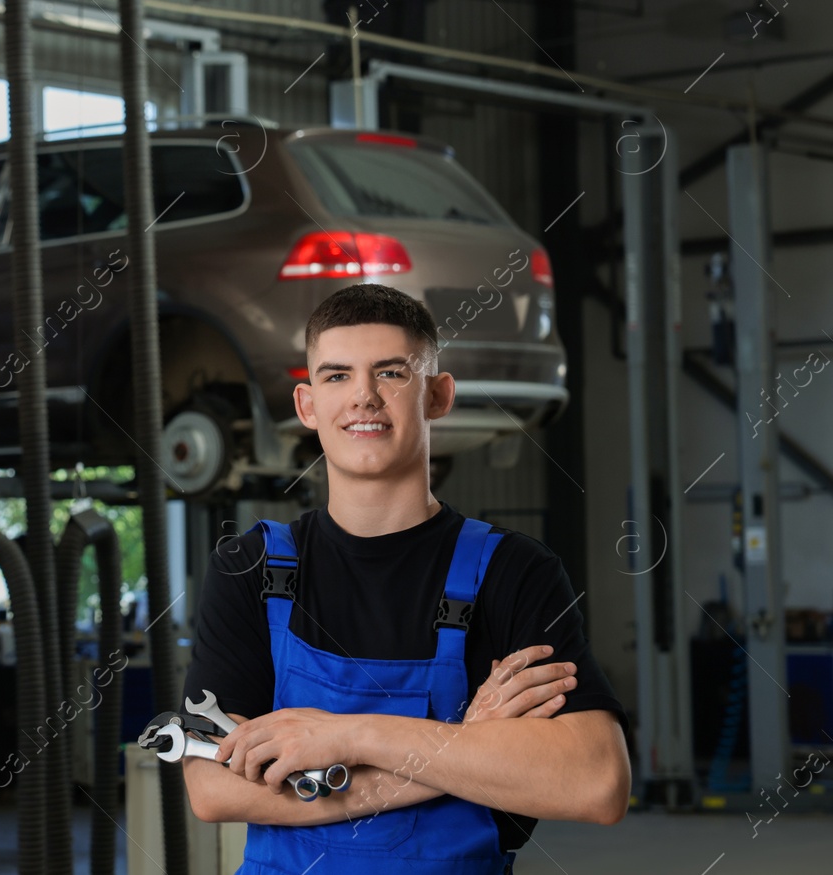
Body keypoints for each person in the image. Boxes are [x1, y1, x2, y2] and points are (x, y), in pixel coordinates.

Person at [181, 283, 630, 874]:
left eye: (391, 373)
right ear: (307, 404)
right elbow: (214, 790)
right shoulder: (251, 569)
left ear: (438, 395)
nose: (363, 396)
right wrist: (460, 747)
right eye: (337, 376)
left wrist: (348, 738)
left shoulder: (513, 571)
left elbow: (596, 783)